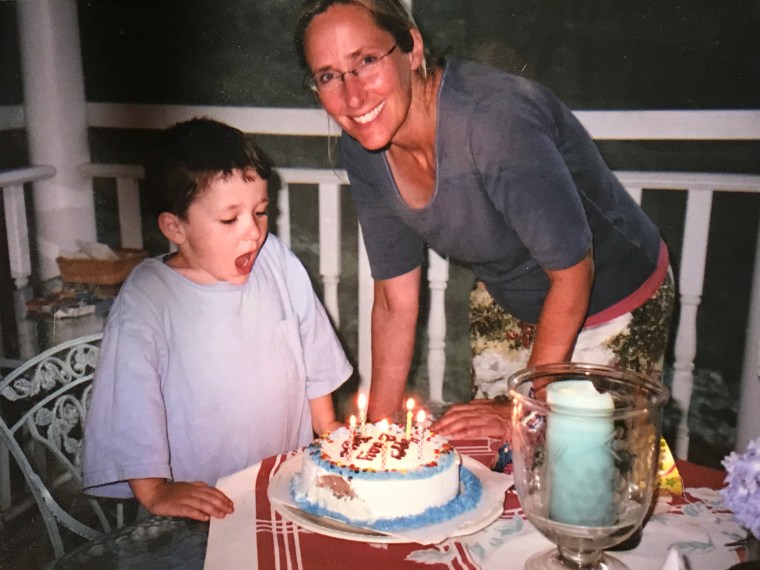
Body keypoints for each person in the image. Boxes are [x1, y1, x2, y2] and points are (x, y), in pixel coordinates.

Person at [293, 0, 674, 440]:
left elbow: (573, 274)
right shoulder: (363, 147)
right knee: (497, 463)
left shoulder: (493, 123)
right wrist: (377, 435)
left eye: (366, 61)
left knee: (581, 479)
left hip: (610, 300)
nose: (352, 96)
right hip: (511, 299)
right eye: (328, 76)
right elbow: (395, 303)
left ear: (412, 48)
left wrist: (521, 406)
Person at [82, 118, 352, 521]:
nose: (253, 233)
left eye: (260, 213)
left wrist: (328, 426)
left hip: (284, 482)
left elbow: (313, 348)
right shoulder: (149, 297)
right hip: (202, 501)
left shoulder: (276, 261)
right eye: (230, 219)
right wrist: (156, 492)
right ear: (176, 227)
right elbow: (132, 404)